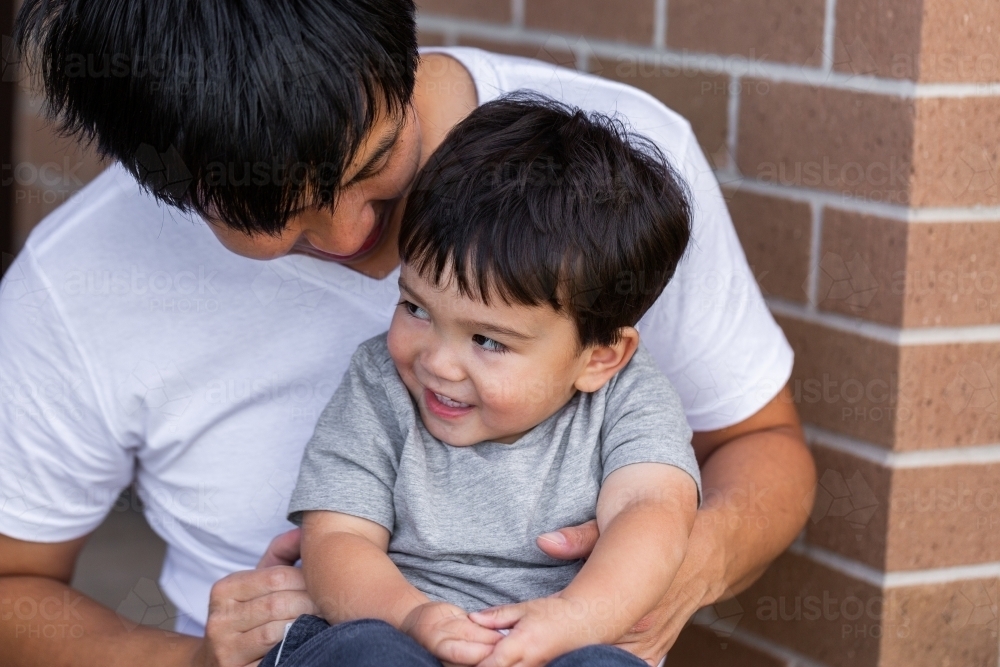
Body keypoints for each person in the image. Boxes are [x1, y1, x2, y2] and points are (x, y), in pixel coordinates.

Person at [0, 1, 815, 666]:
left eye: (376, 164)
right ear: (170, 187)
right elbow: (14, 583)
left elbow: (763, 442)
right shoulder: (75, 283)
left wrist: (663, 568)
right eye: (278, 218)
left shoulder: (617, 185)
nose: (351, 232)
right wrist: (192, 661)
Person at [273, 95, 700, 667]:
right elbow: (336, 540)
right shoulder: (379, 383)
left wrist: (575, 618)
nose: (438, 364)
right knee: (362, 653)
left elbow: (652, 512)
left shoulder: (628, 400)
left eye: (489, 341)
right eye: (416, 308)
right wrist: (412, 617)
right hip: (390, 624)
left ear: (599, 358)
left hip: (554, 640)